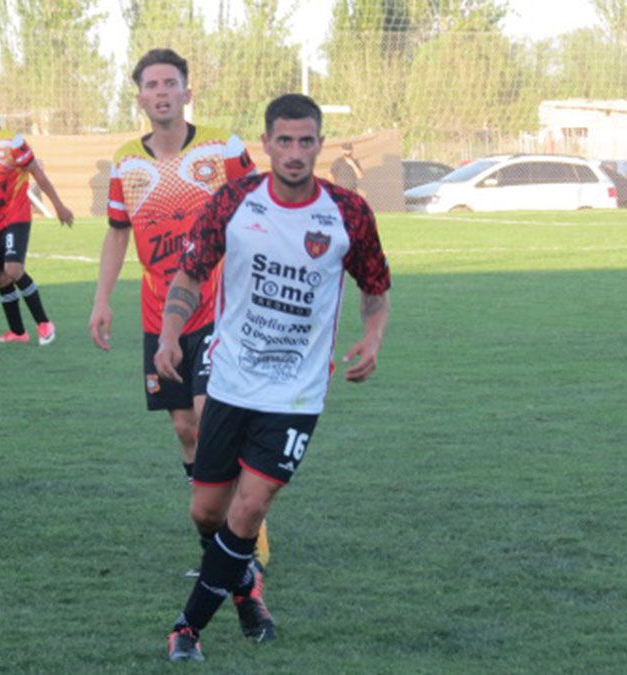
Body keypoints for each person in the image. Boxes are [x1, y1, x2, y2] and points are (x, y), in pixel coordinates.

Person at [155, 93, 392, 662]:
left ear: (319, 144)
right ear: (266, 144)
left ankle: (186, 629)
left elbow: (376, 286)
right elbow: (190, 271)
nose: (294, 152)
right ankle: (243, 592)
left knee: (249, 508)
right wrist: (169, 333)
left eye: (305, 140)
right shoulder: (236, 200)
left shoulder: (348, 212)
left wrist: (372, 338)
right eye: (283, 141)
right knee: (206, 512)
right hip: (232, 379)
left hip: (296, 392)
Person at [88, 49, 270, 569]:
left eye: (171, 83)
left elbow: (259, 207)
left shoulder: (222, 147)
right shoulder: (126, 160)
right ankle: (213, 541)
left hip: (219, 309)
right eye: (152, 84)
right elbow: (117, 233)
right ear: (140, 97)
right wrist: (102, 300)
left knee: (213, 419)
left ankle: (243, 540)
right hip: (157, 315)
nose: (162, 92)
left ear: (187, 93)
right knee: (185, 428)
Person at [0, 92, 74, 345]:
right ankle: (17, 332)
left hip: (16, 215)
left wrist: (58, 205)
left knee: (13, 269)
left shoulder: (12, 141)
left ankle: (44, 322)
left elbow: (37, 174)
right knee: (0, 275)